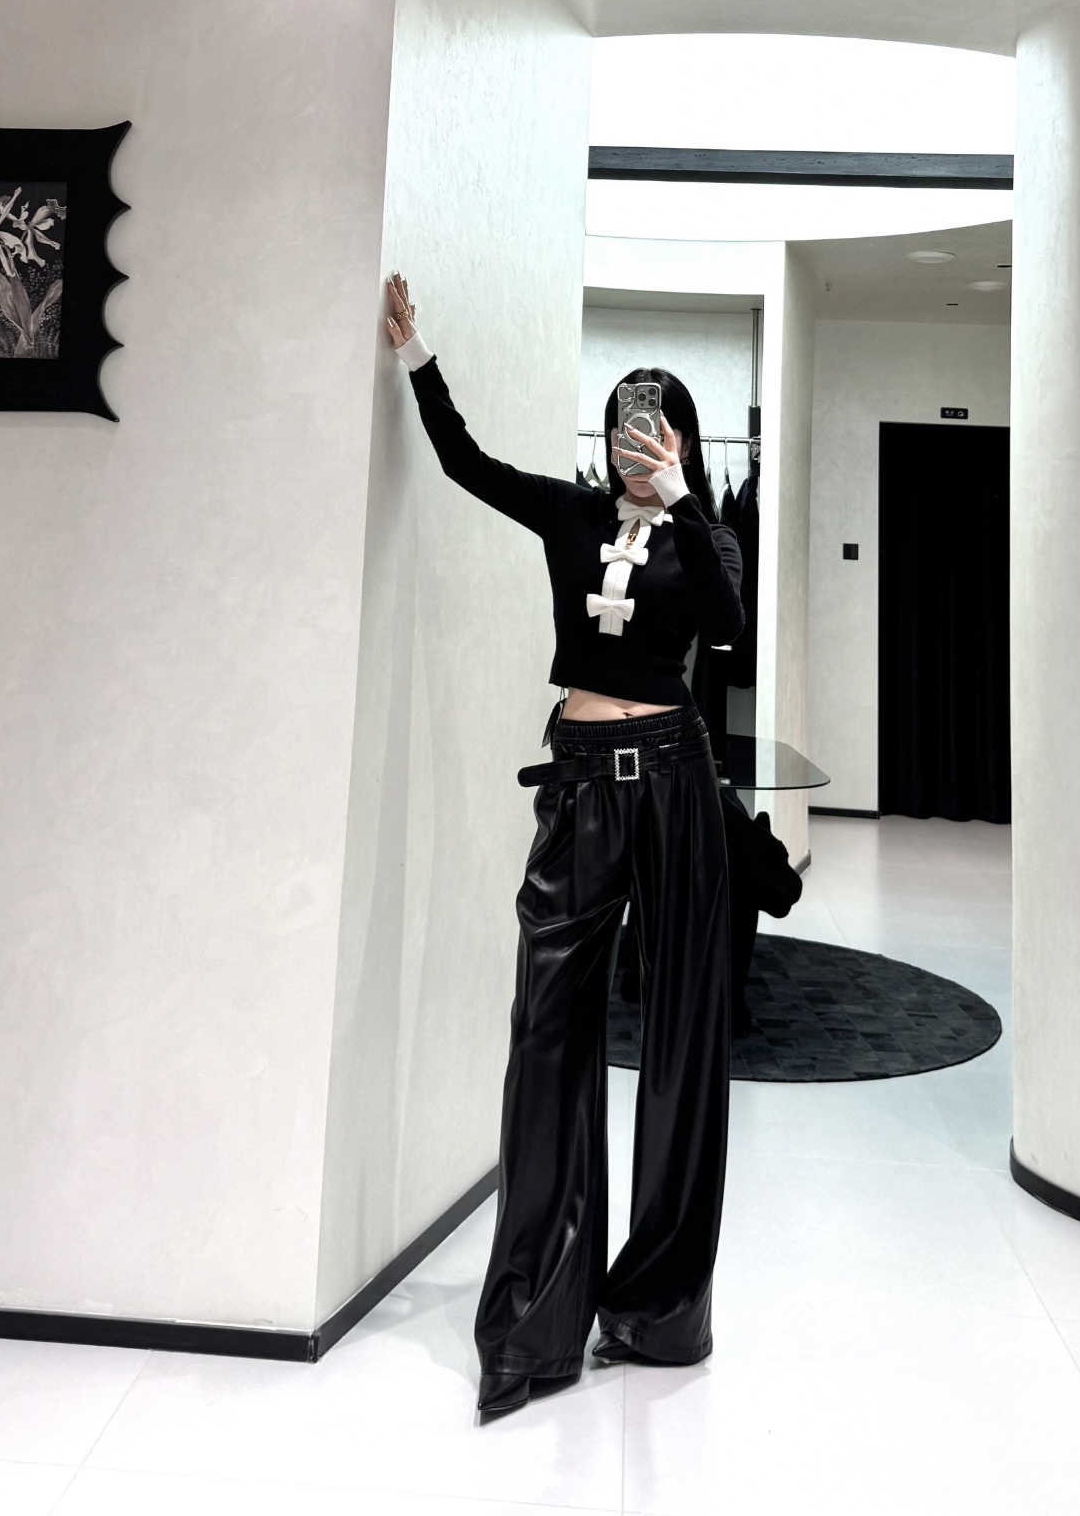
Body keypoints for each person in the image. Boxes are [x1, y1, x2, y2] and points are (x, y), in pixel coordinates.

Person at [386, 273, 743, 1422]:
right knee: (546, 1030)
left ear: (682, 437)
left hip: (677, 783)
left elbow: (728, 629)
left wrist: (683, 502)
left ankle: (658, 1306)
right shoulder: (573, 515)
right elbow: (466, 465)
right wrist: (419, 358)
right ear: (608, 433)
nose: (642, 441)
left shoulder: (706, 535)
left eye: (661, 425)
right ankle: (534, 1318)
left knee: (682, 1032)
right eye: (629, 424)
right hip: (582, 784)